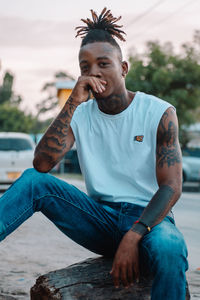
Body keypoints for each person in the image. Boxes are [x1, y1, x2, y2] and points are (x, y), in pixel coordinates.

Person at [0, 8, 188, 300]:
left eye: (103, 63)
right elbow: (42, 164)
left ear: (123, 68)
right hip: (101, 220)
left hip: (151, 221)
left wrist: (135, 234)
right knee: (33, 181)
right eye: (85, 67)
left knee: (170, 248)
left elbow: (171, 187)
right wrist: (74, 101)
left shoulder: (159, 112)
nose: (94, 72)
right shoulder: (80, 113)